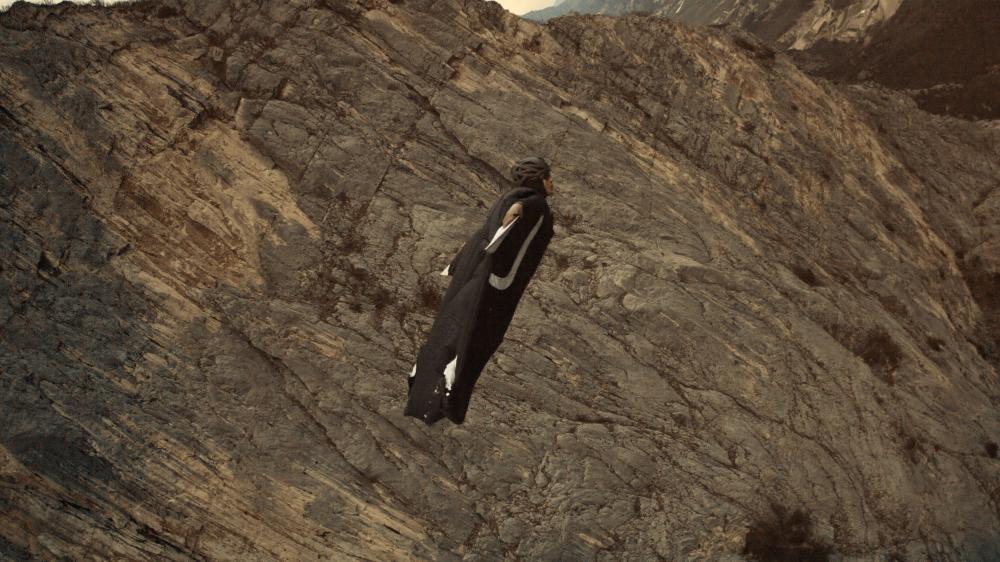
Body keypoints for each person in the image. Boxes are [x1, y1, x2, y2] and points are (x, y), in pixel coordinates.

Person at [404, 157, 556, 425]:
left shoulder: (508, 197)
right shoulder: (535, 203)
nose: (552, 182)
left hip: (476, 275)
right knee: (474, 338)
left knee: (453, 331)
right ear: (539, 179)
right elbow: (519, 212)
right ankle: (444, 398)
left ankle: (428, 391)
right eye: (548, 177)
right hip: (493, 285)